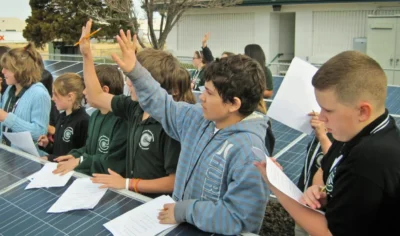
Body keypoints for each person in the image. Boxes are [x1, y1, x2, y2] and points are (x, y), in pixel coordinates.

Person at [111, 27, 270, 234]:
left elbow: (239, 218)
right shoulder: (197, 119)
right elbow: (162, 104)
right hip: (182, 226)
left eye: (209, 93)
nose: (201, 97)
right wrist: (136, 72)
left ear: (233, 104)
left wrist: (185, 210)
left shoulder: (249, 153)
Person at [255, 51, 400, 236]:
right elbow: (325, 172)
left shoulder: (371, 158)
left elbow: (329, 232)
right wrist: (320, 192)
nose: (321, 117)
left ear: (363, 111)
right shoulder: (351, 133)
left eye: (328, 110)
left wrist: (275, 186)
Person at [78, 20, 196, 198]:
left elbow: (174, 181)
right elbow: (96, 96)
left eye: (134, 77)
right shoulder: (134, 108)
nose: (127, 83)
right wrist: (87, 55)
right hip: (134, 199)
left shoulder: (172, 123)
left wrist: (128, 183)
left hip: (156, 208)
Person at [53, 64, 128, 177]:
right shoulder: (94, 116)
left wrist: (81, 160)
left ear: (105, 90)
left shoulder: (122, 121)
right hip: (90, 179)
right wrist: (75, 155)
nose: (83, 92)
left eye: (87, 87)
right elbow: (89, 148)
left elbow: (113, 161)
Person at [0, 43, 50, 151]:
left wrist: (7, 118)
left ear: (20, 70)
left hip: (26, 161)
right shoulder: (10, 89)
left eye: (7, 68)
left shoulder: (39, 94)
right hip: (6, 155)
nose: (3, 71)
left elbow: (39, 132)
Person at [294, 111, 333, 236]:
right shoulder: (321, 132)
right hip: (306, 203)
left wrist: (322, 136)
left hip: (322, 211)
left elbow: (333, 165)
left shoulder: (344, 137)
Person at [38, 73, 89, 162]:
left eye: (56, 94)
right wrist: (48, 145)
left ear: (70, 96)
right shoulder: (61, 118)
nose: (53, 98)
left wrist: (50, 158)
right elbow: (59, 150)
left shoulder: (84, 122)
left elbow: (81, 157)